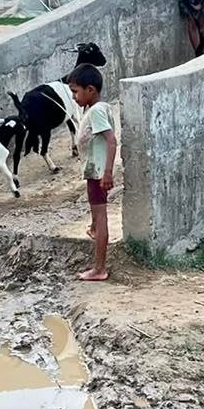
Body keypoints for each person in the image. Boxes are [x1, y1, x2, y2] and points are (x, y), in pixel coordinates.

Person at [72, 64, 116, 283]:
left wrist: (107, 172)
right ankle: (93, 229)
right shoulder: (96, 109)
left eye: (76, 91)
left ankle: (99, 268)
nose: (74, 97)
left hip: (98, 174)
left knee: (101, 218)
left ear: (90, 90)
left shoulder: (97, 111)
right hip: (95, 172)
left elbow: (111, 140)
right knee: (97, 216)